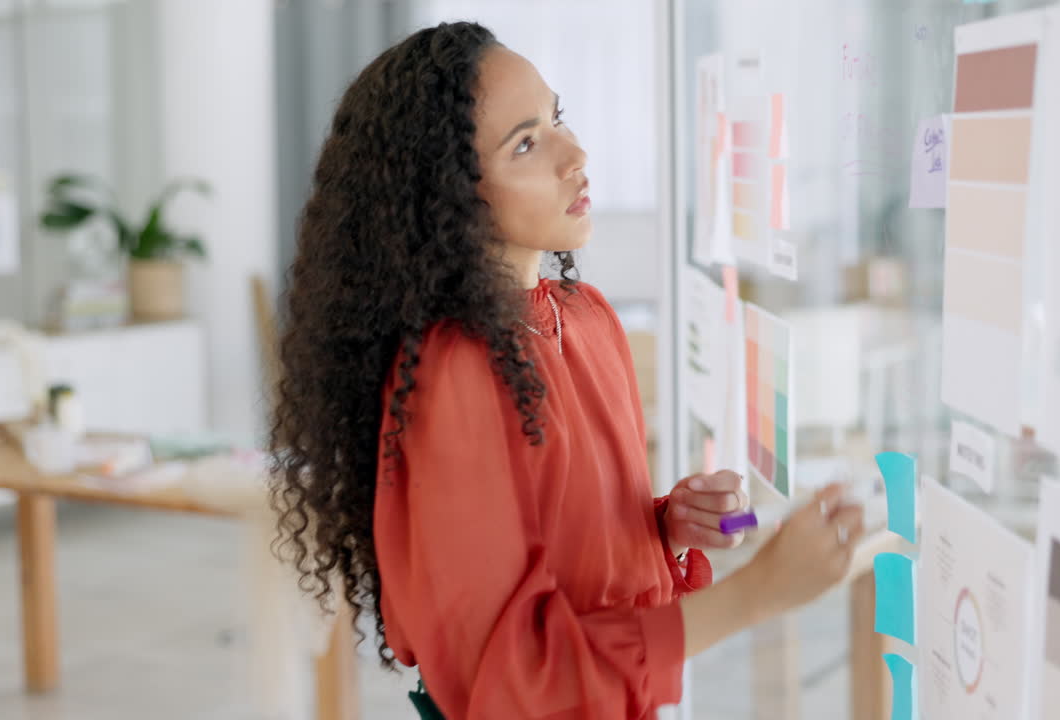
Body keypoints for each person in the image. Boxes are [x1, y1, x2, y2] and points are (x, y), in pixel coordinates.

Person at [269, 21, 865, 720]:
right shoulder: (453, 373)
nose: (575, 153)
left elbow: (562, 548)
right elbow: (514, 679)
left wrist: (658, 527)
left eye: (557, 120)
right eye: (525, 144)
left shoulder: (586, 316)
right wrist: (756, 594)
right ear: (450, 197)